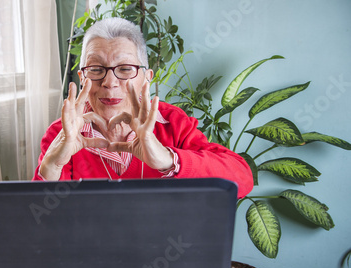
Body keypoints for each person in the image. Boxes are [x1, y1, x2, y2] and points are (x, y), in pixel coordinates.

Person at [33, 17, 253, 198]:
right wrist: (51, 167)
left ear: (146, 79)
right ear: (82, 78)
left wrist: (167, 159)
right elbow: (38, 224)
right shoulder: (62, 132)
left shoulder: (173, 123)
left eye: (126, 69)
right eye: (96, 69)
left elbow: (242, 180)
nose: (109, 82)